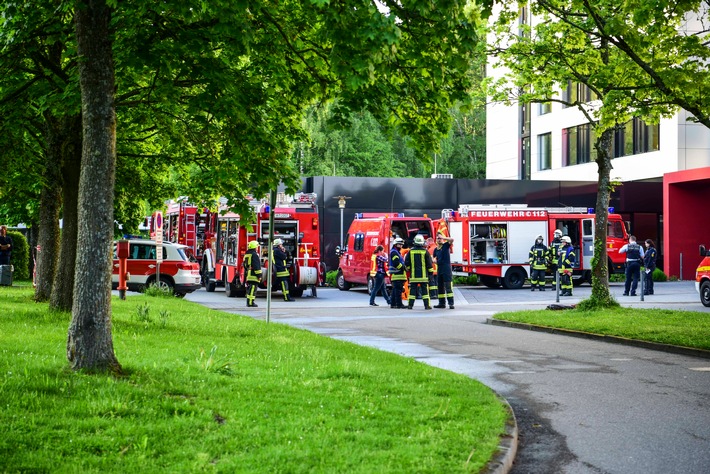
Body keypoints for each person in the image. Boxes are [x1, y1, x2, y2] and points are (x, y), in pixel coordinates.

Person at [404, 234, 433, 309]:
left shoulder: (410, 252)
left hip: (414, 276)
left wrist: (410, 269)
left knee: (412, 292)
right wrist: (430, 274)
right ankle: (427, 306)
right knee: (425, 292)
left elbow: (407, 263)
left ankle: (410, 305)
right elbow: (429, 264)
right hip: (423, 277)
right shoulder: (425, 252)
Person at [433, 233, 455, 309]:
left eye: (440, 238)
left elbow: (452, 240)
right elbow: (434, 257)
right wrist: (434, 260)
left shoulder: (445, 245)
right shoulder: (436, 249)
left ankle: (451, 303)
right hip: (440, 268)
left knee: (448, 286)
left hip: (446, 269)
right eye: (438, 238)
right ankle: (441, 303)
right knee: (440, 287)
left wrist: (443, 237)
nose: (439, 239)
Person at [389, 237, 407, 309]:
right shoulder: (394, 252)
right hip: (398, 274)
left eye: (401, 245)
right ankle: (399, 304)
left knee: (395, 291)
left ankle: (393, 304)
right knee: (398, 291)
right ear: (395, 244)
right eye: (399, 245)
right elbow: (396, 262)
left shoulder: (396, 252)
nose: (401, 246)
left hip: (396, 275)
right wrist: (403, 267)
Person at [243, 240, 262, 307]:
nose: (257, 248)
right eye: (257, 246)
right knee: (253, 289)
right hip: (253, 275)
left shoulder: (247, 254)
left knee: (250, 289)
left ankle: (249, 302)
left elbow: (244, 265)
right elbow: (257, 266)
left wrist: (248, 270)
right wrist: (259, 275)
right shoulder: (254, 255)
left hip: (249, 274)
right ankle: (250, 302)